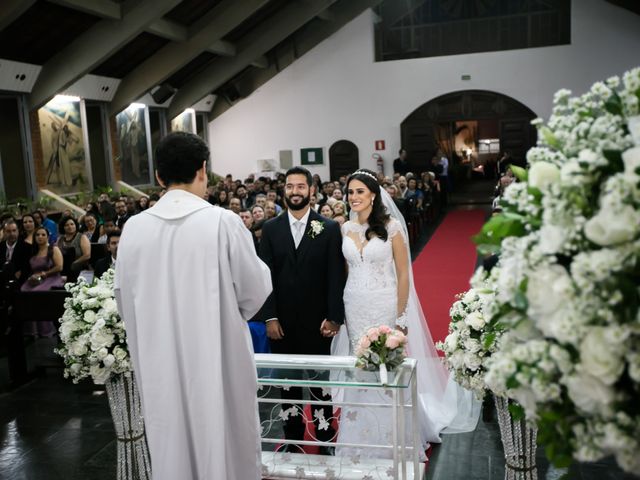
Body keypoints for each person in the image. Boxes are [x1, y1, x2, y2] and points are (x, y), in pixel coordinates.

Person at [115, 132, 271, 480]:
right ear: (203, 169)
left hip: (160, 364)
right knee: (224, 443)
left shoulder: (133, 229)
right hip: (217, 362)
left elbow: (124, 301)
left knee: (171, 444)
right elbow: (255, 292)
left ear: (158, 177)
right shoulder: (223, 222)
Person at [333, 169, 479, 459]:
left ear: (373, 194)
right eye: (350, 192)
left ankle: (396, 431)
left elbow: (403, 274)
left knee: (387, 362)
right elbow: (346, 270)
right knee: (360, 365)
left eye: (360, 191)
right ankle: (359, 434)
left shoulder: (392, 228)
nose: (354, 197)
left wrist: (400, 318)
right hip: (355, 305)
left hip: (384, 302)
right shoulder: (345, 229)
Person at [256, 166, 345, 455]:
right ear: (284, 190)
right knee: (288, 386)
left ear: (311, 190)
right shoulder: (270, 229)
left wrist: (334, 317)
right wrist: (269, 317)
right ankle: (293, 438)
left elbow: (336, 276)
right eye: (290, 186)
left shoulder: (329, 229)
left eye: (300, 186)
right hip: (281, 323)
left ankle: (324, 438)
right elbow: (264, 275)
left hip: (319, 322)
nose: (295, 191)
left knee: (321, 386)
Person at [22, 227, 64, 337]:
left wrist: (45, 274)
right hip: (36, 279)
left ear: (48, 237)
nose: (40, 237)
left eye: (43, 235)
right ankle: (31, 330)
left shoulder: (53, 249)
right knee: (24, 290)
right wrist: (32, 277)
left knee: (37, 292)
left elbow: (59, 266)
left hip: (51, 277)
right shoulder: (33, 251)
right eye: (38, 235)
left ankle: (45, 330)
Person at [0, 220, 30, 286]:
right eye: (8, 231)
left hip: (20, 282)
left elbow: (26, 269)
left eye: (14, 230)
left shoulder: (26, 247)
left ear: (18, 231)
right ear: (4, 232)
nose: (12, 234)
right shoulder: (1, 247)